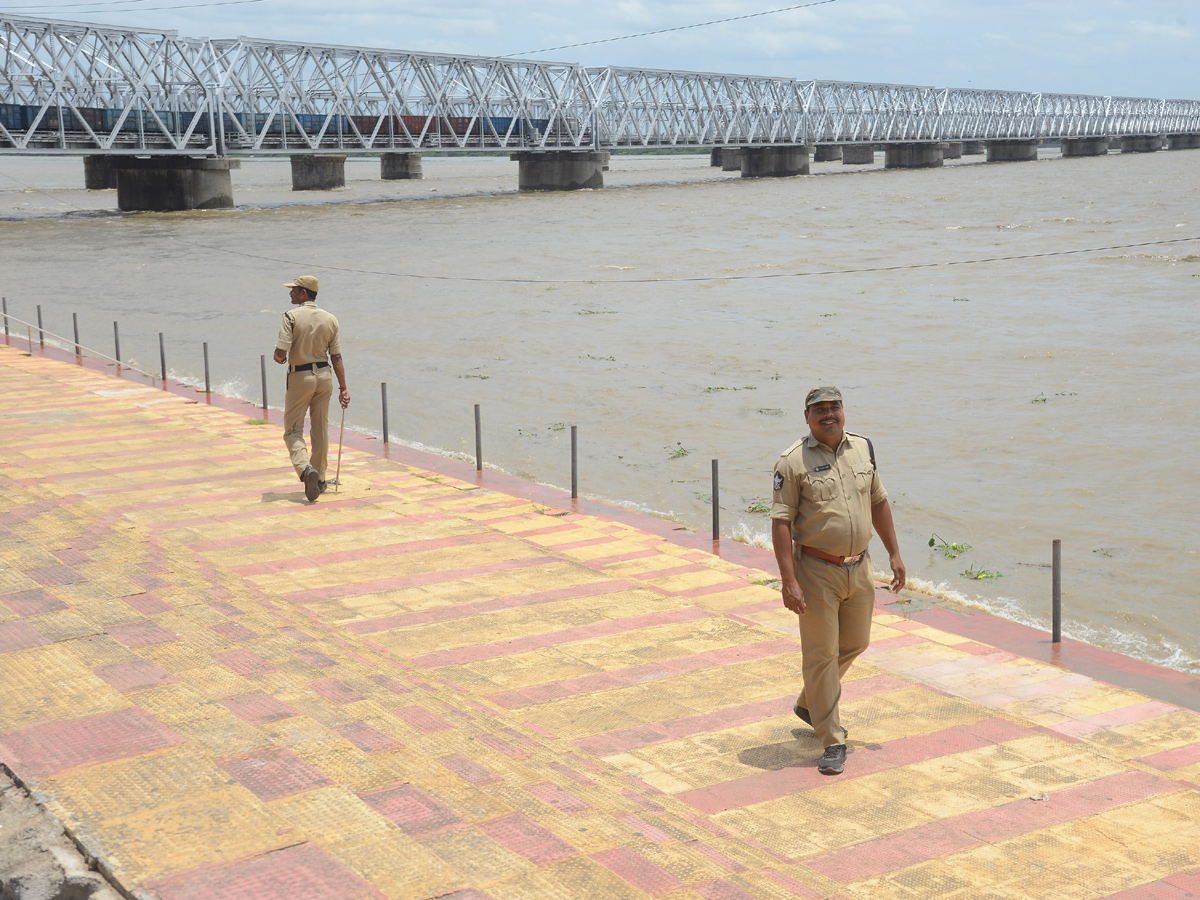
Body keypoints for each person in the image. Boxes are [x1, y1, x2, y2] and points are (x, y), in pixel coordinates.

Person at [770, 386, 905, 776]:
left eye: (834, 408)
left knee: (856, 643)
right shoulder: (792, 462)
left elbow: (878, 501)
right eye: (820, 410)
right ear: (807, 417)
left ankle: (810, 703)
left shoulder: (863, 449)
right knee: (821, 654)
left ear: (843, 411)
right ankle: (831, 740)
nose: (828, 415)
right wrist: (788, 580)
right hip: (815, 571)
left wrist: (894, 553)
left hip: (859, 568)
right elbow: (781, 522)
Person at [273, 275, 350, 501]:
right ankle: (321, 478)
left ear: (304, 293)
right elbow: (336, 357)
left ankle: (306, 470)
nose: (290, 294)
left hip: (301, 376)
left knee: (293, 430)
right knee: (320, 428)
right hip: (325, 376)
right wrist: (344, 388)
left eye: (294, 290)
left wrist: (279, 357)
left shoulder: (290, 316)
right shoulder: (330, 318)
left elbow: (280, 354)